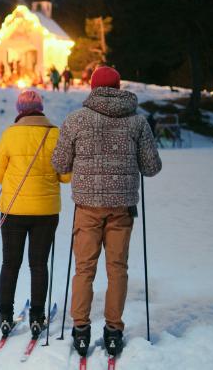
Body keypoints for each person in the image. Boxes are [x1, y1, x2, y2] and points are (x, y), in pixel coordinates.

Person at [51, 66, 162, 358]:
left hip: (86, 207)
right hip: (121, 208)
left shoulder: (75, 120)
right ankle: (114, 331)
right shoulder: (138, 123)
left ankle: (80, 329)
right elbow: (152, 167)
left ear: (92, 87)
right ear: (119, 86)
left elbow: (60, 164)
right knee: (117, 269)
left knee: (84, 269)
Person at [0, 90, 71, 338]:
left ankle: (5, 315)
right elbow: (66, 176)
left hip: (13, 210)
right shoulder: (55, 134)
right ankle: (37, 316)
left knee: (10, 263)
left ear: (19, 110)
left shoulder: (10, 134)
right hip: (46, 212)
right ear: (40, 108)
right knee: (38, 264)